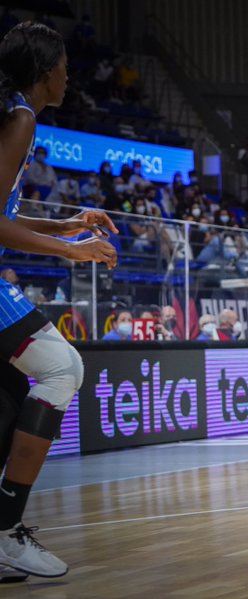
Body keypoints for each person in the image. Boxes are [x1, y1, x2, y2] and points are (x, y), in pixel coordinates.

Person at [0, 22, 118, 581]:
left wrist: (66, 226)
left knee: (7, 403)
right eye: (65, 66)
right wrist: (70, 251)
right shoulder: (20, 118)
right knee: (61, 367)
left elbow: (7, 214)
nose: (71, 75)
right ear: (46, 71)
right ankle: (4, 531)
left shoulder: (19, 114)